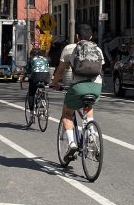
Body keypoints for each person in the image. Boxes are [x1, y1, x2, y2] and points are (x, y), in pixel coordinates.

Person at [50, 24, 104, 161]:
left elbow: (61, 70)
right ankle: (91, 133)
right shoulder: (97, 49)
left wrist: (54, 83)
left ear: (76, 37)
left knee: (67, 114)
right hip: (96, 87)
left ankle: (72, 144)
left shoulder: (69, 48)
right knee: (88, 106)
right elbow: (100, 69)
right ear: (91, 36)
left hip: (78, 87)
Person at [20, 47, 50, 111]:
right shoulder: (45, 58)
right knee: (42, 84)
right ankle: (43, 98)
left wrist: (23, 78)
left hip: (36, 76)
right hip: (46, 76)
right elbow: (47, 68)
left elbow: (27, 71)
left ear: (31, 54)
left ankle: (31, 113)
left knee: (31, 93)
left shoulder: (31, 59)